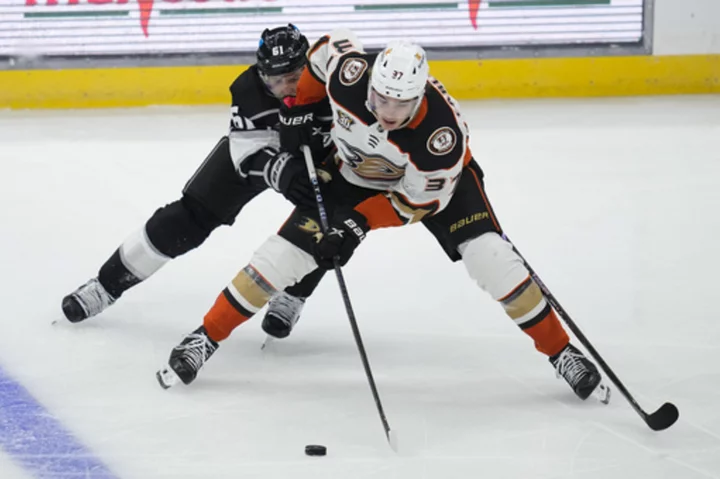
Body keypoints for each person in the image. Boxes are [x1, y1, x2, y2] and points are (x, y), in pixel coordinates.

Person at [156, 29, 611, 405]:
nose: (387, 112)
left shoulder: (441, 141)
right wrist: (299, 109)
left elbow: (414, 206)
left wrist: (356, 224)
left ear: (419, 97)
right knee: (281, 256)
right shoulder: (353, 73)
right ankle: (205, 338)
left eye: (400, 105)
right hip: (353, 174)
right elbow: (320, 56)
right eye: (381, 99)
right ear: (371, 81)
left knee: (493, 260)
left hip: (435, 192)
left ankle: (561, 352)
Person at [60, 24, 332, 340]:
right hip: (268, 151)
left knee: (328, 222)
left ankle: (293, 295)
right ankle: (105, 286)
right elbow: (246, 151)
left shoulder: (335, 83)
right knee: (187, 218)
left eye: (293, 78)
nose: (286, 88)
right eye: (275, 81)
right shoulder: (248, 90)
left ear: (308, 66)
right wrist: (281, 171)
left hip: (322, 154)